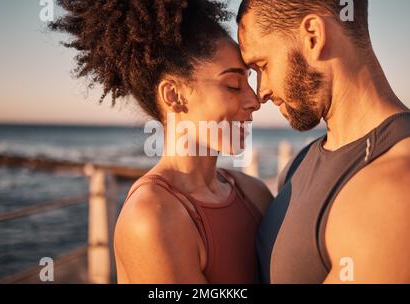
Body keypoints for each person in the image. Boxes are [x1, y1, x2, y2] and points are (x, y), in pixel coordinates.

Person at [50, 0, 273, 283]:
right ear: (174, 95)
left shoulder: (253, 193)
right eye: (232, 85)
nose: (254, 101)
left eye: (250, 83)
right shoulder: (152, 217)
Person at [237, 0, 410, 284]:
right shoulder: (299, 164)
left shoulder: (401, 190)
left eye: (262, 65)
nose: (260, 92)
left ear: (313, 36)